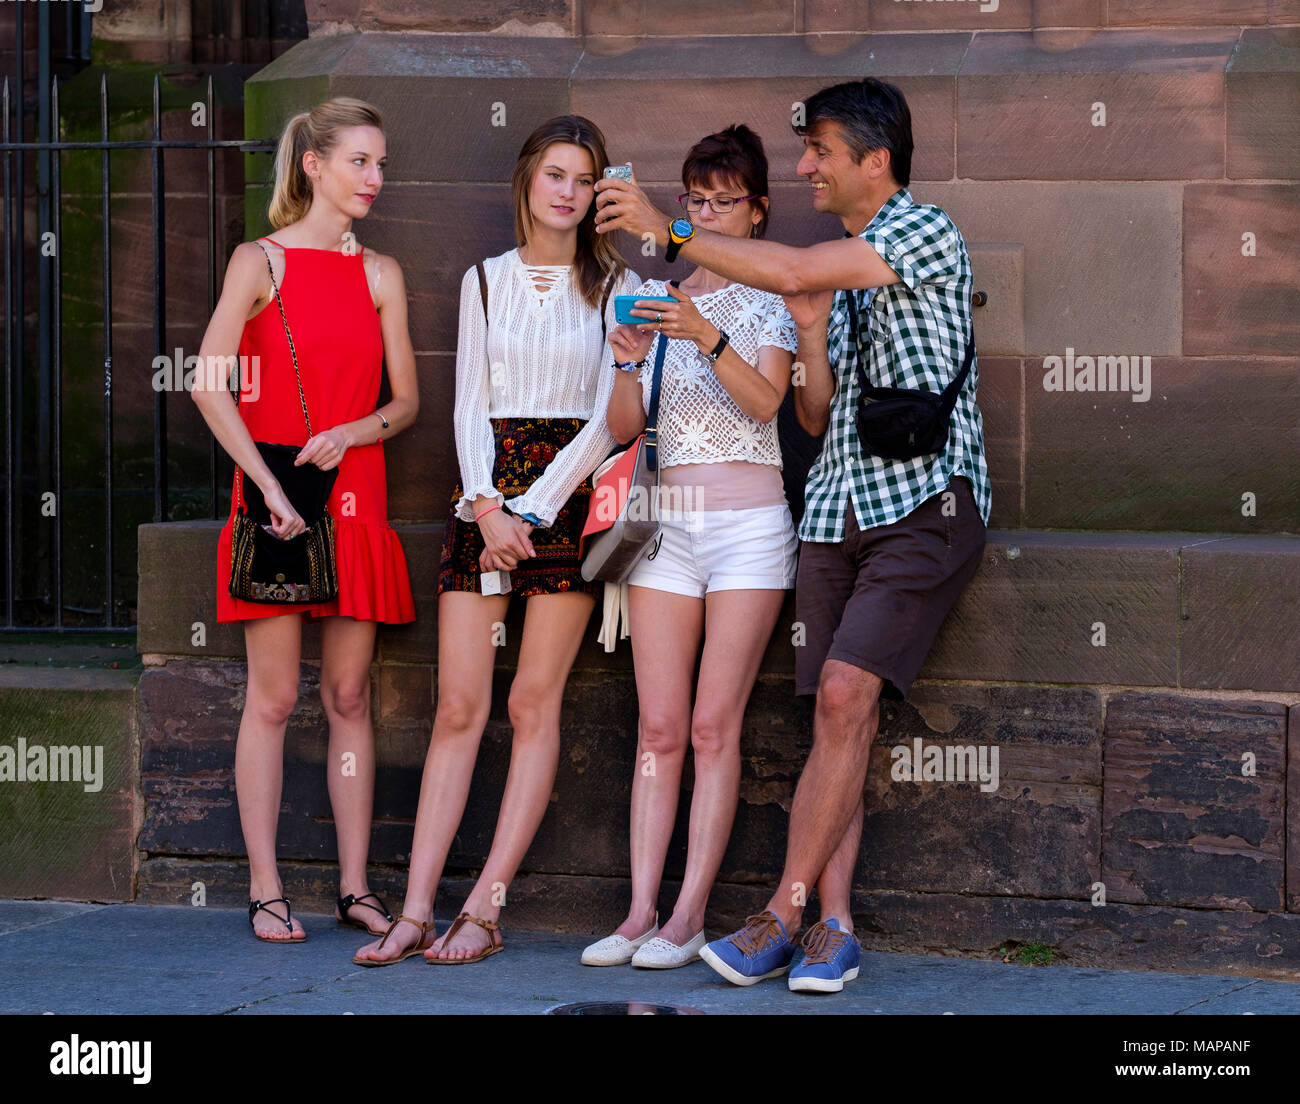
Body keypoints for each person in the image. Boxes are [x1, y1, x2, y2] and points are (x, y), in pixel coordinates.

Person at [595, 78, 990, 993]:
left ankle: (785, 912)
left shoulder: (921, 231)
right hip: (831, 519)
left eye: (820, 151)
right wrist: (810, 339)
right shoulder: (842, 267)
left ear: (874, 159)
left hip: (921, 508)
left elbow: (793, 276)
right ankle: (833, 928)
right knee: (830, 719)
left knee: (847, 697)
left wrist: (671, 232)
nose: (807, 165)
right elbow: (811, 412)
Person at [352, 115, 639, 967]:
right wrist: (485, 508)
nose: (567, 191)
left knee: (531, 705)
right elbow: (466, 401)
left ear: (598, 195)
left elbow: (607, 419)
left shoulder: (616, 281)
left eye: (584, 180)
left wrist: (539, 507)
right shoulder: (483, 280)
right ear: (527, 180)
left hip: (567, 499)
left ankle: (484, 907)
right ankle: (411, 911)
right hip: (483, 501)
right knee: (458, 706)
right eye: (555, 173)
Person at [193, 98, 418, 942]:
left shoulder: (382, 274)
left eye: (383, 163)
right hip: (276, 495)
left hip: (357, 492)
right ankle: (264, 886)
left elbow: (407, 401)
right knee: (277, 697)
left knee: (351, 694)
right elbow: (207, 384)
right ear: (314, 165)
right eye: (360, 161)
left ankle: (356, 886)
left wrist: (356, 430)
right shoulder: (257, 261)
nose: (375, 179)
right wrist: (268, 488)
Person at [579, 126, 797, 970]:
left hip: (748, 530)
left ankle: (689, 915)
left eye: (723, 201)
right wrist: (629, 362)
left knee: (713, 725)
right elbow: (626, 431)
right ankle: (639, 911)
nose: (706, 212)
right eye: (694, 200)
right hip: (665, 524)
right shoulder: (653, 297)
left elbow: (767, 403)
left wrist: (706, 332)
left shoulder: (769, 298)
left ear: (756, 211)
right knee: (659, 726)